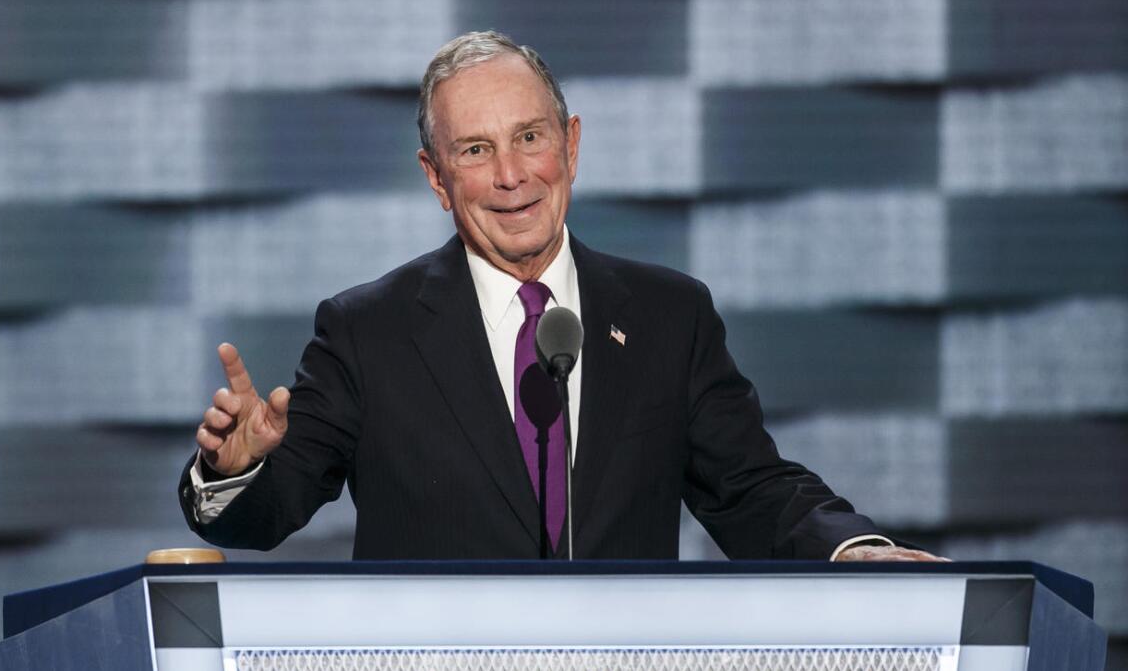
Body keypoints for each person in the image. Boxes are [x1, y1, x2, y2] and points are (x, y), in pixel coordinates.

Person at [180, 30, 941, 562]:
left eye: (531, 138)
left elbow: (751, 488)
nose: (512, 174)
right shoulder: (364, 331)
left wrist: (856, 548)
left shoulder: (668, 316)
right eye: (475, 150)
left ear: (571, 145)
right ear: (435, 177)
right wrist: (234, 468)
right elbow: (267, 515)